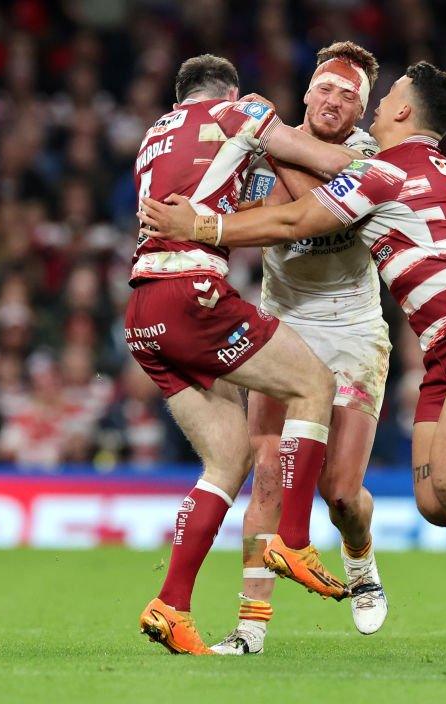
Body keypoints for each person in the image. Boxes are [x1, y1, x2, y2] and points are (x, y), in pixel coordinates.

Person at [139, 61, 446, 659]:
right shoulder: (364, 159)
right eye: (327, 87)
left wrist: (201, 226)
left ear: (394, 112)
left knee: (382, 487)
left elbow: (294, 218)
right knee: (436, 503)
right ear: (308, 91)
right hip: (435, 341)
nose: (354, 99)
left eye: (377, 94)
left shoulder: (382, 166)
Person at [128, 54, 365, 656]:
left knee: (227, 459)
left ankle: (171, 605)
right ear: (227, 90)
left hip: (143, 311)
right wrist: (376, 168)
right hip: (194, 293)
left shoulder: (152, 138)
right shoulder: (239, 112)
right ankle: (292, 538)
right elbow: (331, 162)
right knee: (312, 384)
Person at [211, 42, 389, 656]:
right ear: (308, 92)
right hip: (283, 322)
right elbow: (248, 213)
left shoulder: (367, 156)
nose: (336, 100)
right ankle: (251, 627)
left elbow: (321, 216)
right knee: (266, 478)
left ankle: (360, 558)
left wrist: (271, 140)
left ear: (362, 114)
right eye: (328, 88)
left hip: (353, 328)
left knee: (341, 492)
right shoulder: (261, 143)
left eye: (351, 96)